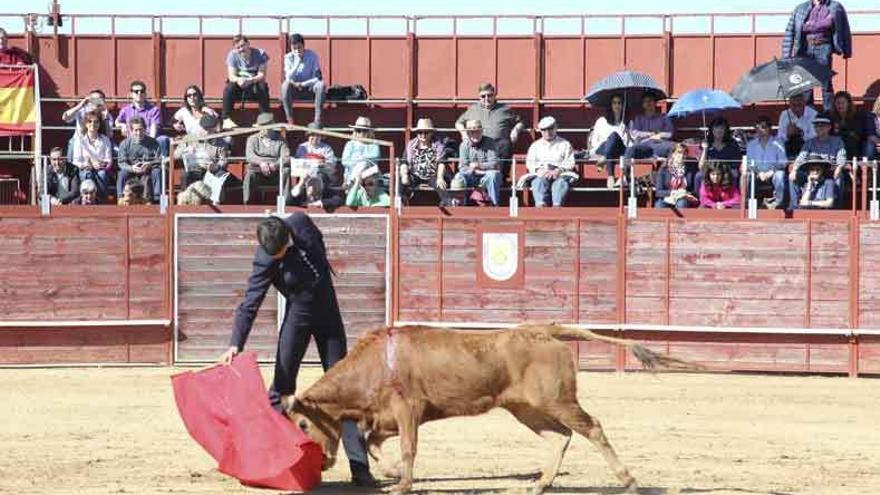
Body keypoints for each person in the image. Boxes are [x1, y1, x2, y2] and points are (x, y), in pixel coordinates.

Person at [218, 214, 377, 488]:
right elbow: (250, 302)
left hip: (329, 313)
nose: (278, 257)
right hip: (298, 316)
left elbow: (319, 246)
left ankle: (360, 469)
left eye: (280, 253)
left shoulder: (302, 224)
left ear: (288, 236)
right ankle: (269, 459)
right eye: (274, 255)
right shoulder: (266, 257)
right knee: (281, 387)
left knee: (346, 391)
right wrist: (235, 343)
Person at [782, 0, 852, 111]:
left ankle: (829, 115)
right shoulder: (800, 8)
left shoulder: (835, 7)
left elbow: (845, 28)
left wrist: (847, 49)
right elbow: (789, 32)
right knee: (806, 86)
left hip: (824, 46)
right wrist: (786, 56)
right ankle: (809, 116)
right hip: (804, 49)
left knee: (826, 83)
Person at [454, 82, 525, 161]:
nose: (486, 98)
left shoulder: (504, 109)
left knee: (505, 145)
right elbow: (458, 123)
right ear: (479, 97)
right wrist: (463, 133)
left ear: (494, 95)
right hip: (478, 145)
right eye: (483, 96)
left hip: (498, 145)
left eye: (489, 95)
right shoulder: (473, 109)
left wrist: (515, 130)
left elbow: (521, 122)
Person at [790, 113, 847, 207]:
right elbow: (801, 156)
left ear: (829, 127)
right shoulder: (810, 142)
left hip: (829, 171)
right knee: (793, 176)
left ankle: (837, 207)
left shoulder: (837, 141)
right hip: (811, 170)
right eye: (816, 126)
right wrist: (794, 169)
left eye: (822, 125)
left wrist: (839, 168)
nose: (819, 128)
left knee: (839, 177)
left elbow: (842, 156)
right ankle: (795, 206)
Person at [622, 93, 675, 185]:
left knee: (674, 148)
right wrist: (651, 134)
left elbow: (670, 133)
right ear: (642, 104)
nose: (648, 103)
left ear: (655, 103)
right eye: (646, 101)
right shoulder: (638, 118)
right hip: (644, 146)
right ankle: (625, 177)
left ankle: (661, 177)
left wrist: (658, 136)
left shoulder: (663, 117)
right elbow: (635, 134)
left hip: (659, 145)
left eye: (651, 101)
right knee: (630, 150)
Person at [525, 116, 577, 207]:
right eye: (544, 130)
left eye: (550, 129)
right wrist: (539, 170)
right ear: (540, 131)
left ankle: (557, 207)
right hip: (542, 173)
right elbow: (530, 163)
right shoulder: (535, 146)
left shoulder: (565, 144)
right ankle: (540, 207)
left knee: (560, 183)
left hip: (560, 174)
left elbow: (570, 162)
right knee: (538, 182)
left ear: (556, 127)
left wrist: (558, 170)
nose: (547, 132)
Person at [222, 35, 270, 129]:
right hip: (239, 85)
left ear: (248, 44)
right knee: (229, 87)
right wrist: (239, 80)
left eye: (243, 46)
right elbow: (231, 76)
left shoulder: (260, 54)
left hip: (254, 84)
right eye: (238, 48)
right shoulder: (232, 55)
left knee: (263, 87)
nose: (241, 49)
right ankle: (226, 119)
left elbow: (262, 75)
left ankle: (264, 120)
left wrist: (250, 80)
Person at [244, 112, 291, 204]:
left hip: (275, 171)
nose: (264, 129)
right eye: (262, 126)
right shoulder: (252, 139)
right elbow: (249, 156)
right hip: (258, 169)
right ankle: (248, 203)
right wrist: (261, 163)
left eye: (267, 126)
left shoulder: (281, 140)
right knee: (250, 173)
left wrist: (276, 165)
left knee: (286, 171)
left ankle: (286, 203)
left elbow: (286, 157)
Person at [453, 119, 502, 206]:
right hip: (471, 176)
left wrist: (478, 165)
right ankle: (459, 204)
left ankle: (494, 204)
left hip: (486, 176)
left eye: (477, 132)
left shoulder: (490, 142)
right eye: (472, 132)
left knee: (493, 175)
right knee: (458, 176)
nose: (475, 134)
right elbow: (462, 167)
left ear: (482, 131)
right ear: (468, 133)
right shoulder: (464, 145)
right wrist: (476, 170)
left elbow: (494, 163)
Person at [400, 118, 449, 205]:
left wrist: (440, 177)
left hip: (433, 175)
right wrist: (404, 175)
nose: (423, 135)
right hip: (415, 174)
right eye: (420, 132)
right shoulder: (411, 145)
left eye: (426, 132)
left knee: (442, 186)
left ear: (431, 133)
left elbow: (441, 162)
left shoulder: (438, 145)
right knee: (400, 183)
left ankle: (448, 206)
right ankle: (399, 206)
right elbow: (404, 162)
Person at [281, 33, 326, 126]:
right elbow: (288, 77)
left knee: (321, 85)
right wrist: (297, 62)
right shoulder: (288, 57)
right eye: (294, 49)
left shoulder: (312, 55)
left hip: (309, 88)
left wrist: (303, 84)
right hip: (294, 89)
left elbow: (318, 78)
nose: (297, 50)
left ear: (303, 46)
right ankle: (290, 119)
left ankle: (318, 119)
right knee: (285, 86)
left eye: (299, 47)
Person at [115, 80, 170, 157]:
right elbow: (117, 122)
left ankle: (160, 165)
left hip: (149, 139)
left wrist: (149, 142)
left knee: (163, 139)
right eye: (136, 91)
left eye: (142, 91)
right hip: (133, 140)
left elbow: (154, 127)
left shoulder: (154, 110)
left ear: (145, 93)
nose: (139, 93)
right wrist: (122, 125)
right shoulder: (126, 110)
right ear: (131, 94)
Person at [588, 94, 630, 189]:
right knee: (612, 137)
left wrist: (626, 132)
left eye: (619, 103)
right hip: (602, 149)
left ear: (623, 106)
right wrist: (607, 147)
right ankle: (611, 176)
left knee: (615, 136)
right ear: (610, 105)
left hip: (619, 152)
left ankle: (606, 165)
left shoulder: (627, 123)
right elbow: (594, 141)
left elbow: (629, 145)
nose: (617, 105)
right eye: (614, 103)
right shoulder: (601, 121)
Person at [745, 116, 789, 209]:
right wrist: (759, 172)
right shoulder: (751, 144)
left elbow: (783, 162)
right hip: (757, 173)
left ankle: (778, 202)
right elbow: (749, 163)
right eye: (757, 127)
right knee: (747, 176)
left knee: (780, 175)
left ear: (770, 128)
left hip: (773, 172)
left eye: (763, 126)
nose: (760, 129)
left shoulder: (778, 142)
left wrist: (771, 172)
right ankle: (749, 202)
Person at [117, 116, 162, 203]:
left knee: (157, 171)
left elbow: (159, 160)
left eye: (141, 129)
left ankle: (157, 199)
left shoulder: (153, 142)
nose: (139, 133)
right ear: (131, 131)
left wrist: (150, 164)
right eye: (136, 130)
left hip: (148, 170)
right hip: (132, 170)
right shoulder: (125, 144)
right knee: (122, 173)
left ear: (145, 129)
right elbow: (121, 162)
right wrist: (132, 168)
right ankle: (121, 198)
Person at [61, 89, 114, 162]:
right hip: (79, 141)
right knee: (72, 142)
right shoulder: (82, 111)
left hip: (98, 144)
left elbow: (109, 135)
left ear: (103, 101)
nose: (96, 101)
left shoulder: (106, 115)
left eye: (99, 99)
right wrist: (80, 105)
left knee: (113, 148)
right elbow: (65, 117)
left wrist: (105, 119)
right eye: (93, 99)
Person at [695, 117, 743, 195]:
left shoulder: (732, 144)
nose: (719, 130)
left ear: (726, 130)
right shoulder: (706, 143)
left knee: (734, 174)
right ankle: (701, 198)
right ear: (712, 129)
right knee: (698, 175)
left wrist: (722, 169)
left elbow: (736, 163)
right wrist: (705, 149)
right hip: (710, 171)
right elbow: (701, 167)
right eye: (716, 127)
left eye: (722, 128)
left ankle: (731, 197)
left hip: (727, 170)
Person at [71, 110, 114, 199]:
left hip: (100, 168)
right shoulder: (80, 140)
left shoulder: (105, 140)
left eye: (96, 122)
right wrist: (86, 164)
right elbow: (75, 161)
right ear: (86, 124)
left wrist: (101, 164)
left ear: (99, 124)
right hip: (85, 168)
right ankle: (86, 200)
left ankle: (102, 200)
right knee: (87, 174)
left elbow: (109, 160)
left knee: (102, 174)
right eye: (90, 121)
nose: (93, 124)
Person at [294, 122, 340, 189]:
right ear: (308, 136)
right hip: (305, 174)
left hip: (320, 173)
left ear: (321, 136)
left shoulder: (326, 148)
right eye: (312, 135)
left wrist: (323, 163)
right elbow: (297, 162)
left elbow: (332, 162)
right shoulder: (302, 147)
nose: (315, 138)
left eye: (317, 135)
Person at [830, 90, 873, 160]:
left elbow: (858, 134)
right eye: (838, 103)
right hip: (836, 144)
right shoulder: (831, 117)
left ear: (848, 104)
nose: (840, 105)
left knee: (850, 141)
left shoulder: (857, 116)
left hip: (854, 145)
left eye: (843, 103)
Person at [341, 116, 381, 188]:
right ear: (355, 131)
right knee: (362, 163)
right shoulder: (350, 144)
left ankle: (351, 182)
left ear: (369, 132)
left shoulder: (374, 144)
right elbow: (345, 162)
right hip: (352, 172)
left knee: (364, 163)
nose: (361, 133)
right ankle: (353, 181)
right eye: (359, 130)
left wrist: (359, 160)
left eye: (364, 131)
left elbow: (374, 159)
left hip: (369, 174)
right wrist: (360, 161)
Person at [654, 144, 696, 209]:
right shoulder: (664, 170)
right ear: (673, 154)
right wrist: (674, 193)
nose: (682, 156)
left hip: (683, 198)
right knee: (659, 205)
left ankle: (681, 219)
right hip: (668, 197)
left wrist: (685, 193)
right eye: (679, 152)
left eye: (684, 153)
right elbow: (658, 192)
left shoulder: (691, 170)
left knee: (682, 203)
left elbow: (694, 190)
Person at [777, 93, 818, 159]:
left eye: (799, 105)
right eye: (794, 105)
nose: (797, 109)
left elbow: (814, 136)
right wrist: (787, 134)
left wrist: (800, 132)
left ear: (804, 103)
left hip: (808, 148)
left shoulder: (813, 114)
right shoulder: (784, 114)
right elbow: (779, 137)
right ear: (789, 104)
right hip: (789, 148)